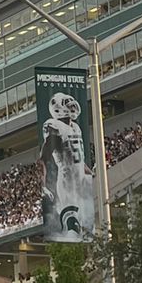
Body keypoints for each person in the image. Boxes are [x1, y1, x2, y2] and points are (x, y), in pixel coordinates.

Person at [38, 92, 94, 240]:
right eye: (67, 103)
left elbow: (79, 160)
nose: (72, 105)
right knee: (73, 231)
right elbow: (43, 159)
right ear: (58, 108)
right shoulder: (54, 127)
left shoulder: (75, 127)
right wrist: (43, 185)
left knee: (88, 232)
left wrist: (91, 175)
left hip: (81, 182)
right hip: (67, 183)